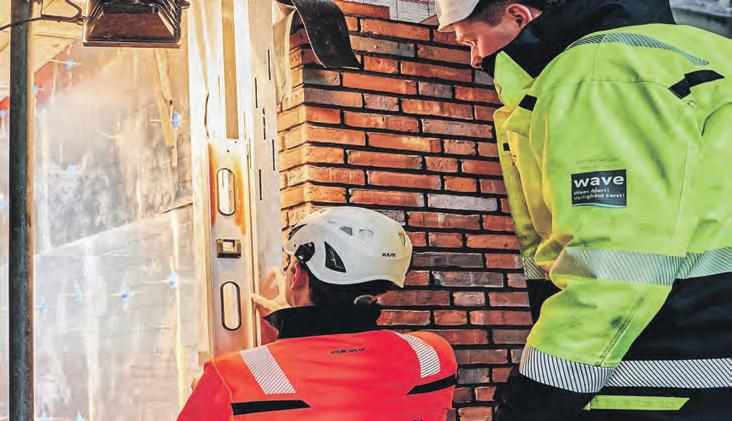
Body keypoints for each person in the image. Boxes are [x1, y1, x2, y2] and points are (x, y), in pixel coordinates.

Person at [435, 0, 732, 420]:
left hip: (663, 388)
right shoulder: (705, 52)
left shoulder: (596, 73)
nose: (474, 59)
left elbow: (612, 264)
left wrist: (533, 401)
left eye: (472, 41)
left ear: (518, 16)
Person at [178, 207, 457, 420]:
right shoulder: (433, 356)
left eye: (290, 265)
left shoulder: (230, 377)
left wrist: (210, 390)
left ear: (299, 275)